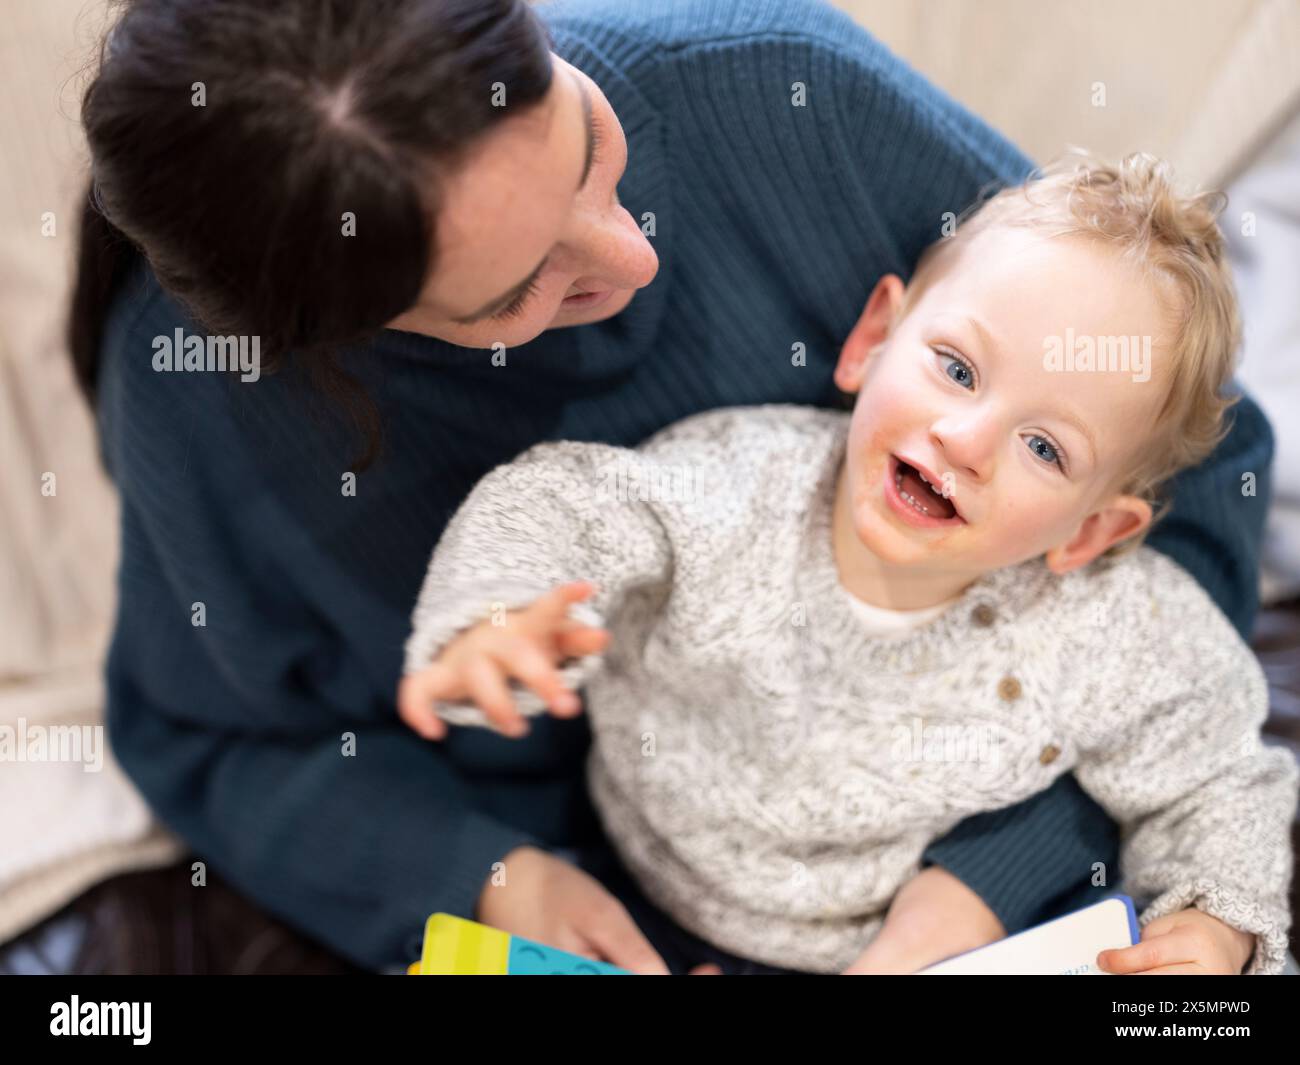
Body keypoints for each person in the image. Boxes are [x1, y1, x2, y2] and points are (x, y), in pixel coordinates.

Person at [72, 0, 1275, 972]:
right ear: (342, 331)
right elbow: (215, 736)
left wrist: (986, 886)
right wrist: (481, 879)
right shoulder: (205, 407)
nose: (635, 253)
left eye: (589, 141)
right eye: (516, 292)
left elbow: (1181, 445)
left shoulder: (775, 82)